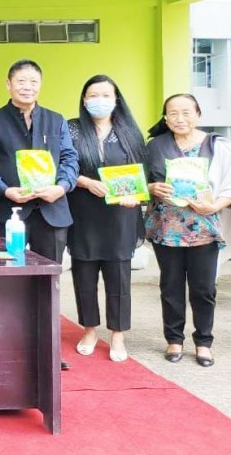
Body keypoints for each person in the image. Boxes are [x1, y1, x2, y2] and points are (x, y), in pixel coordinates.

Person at [0, 59, 78, 371]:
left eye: (34, 81)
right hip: (11, 212)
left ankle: (48, 350)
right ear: (8, 84)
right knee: (9, 283)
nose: (27, 86)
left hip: (50, 212)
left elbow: (70, 160)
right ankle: (9, 348)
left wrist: (61, 187)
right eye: (21, 80)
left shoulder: (56, 120)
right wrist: (6, 190)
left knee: (49, 284)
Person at [144, 93, 231, 367]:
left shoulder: (216, 146)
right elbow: (140, 182)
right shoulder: (156, 146)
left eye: (186, 112)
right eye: (173, 113)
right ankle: (174, 339)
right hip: (166, 229)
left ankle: (203, 342)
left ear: (198, 114)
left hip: (203, 228)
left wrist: (214, 207)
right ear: (165, 117)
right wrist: (151, 188)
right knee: (171, 287)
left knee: (203, 289)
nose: (179, 118)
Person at [67, 75, 146, 363]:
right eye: (92, 95)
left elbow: (142, 173)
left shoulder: (129, 132)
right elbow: (59, 167)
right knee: (84, 277)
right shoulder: (71, 129)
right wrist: (86, 182)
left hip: (119, 216)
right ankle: (89, 330)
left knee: (118, 279)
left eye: (105, 95)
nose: (99, 100)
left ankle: (117, 334)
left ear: (116, 99)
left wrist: (136, 195)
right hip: (83, 214)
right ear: (84, 99)